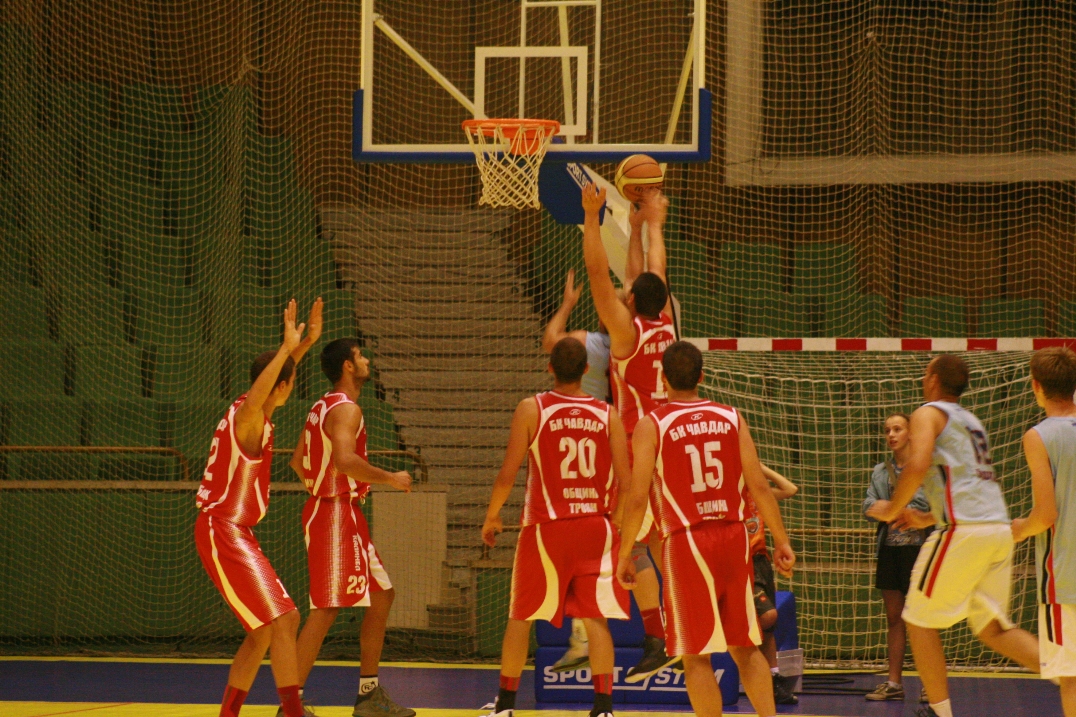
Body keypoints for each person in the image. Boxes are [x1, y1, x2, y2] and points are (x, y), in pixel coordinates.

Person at [616, 341, 796, 717]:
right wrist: (781, 540)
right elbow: (759, 486)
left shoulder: (652, 424)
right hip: (733, 537)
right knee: (745, 648)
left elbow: (637, 499)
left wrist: (625, 552)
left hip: (686, 543)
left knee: (696, 656)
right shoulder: (731, 416)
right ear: (701, 376)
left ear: (662, 379)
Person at [867, 354, 1040, 717]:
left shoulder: (927, 412)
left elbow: (917, 464)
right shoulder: (970, 421)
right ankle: (1069, 671)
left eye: (925, 372)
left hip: (963, 532)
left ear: (933, 379)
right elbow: (967, 485)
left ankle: (939, 712)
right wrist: (925, 516)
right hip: (997, 529)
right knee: (994, 630)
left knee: (916, 618)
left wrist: (895, 508)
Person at [481, 337, 632, 717]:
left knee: (521, 617)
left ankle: (505, 706)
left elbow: (507, 473)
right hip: (595, 526)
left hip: (546, 527)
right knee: (595, 619)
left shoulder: (531, 408)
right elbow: (628, 483)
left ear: (550, 367)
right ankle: (603, 708)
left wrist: (493, 515)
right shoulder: (607, 413)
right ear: (587, 369)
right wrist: (618, 523)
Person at [194, 298, 322, 717]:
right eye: (290, 381)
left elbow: (269, 389)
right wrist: (286, 349)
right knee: (285, 619)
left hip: (233, 531)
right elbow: (258, 398)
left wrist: (302, 346)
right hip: (223, 528)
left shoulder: (257, 415)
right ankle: (293, 712)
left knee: (264, 632)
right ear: (281, 387)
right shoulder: (248, 417)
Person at [288, 338, 415, 717]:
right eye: (360, 356)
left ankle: (368, 695)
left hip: (341, 511)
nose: (367, 361)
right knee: (326, 609)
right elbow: (344, 460)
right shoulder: (347, 409)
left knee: (382, 595)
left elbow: (297, 461)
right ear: (347, 365)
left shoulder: (321, 406)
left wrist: (320, 486)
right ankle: (290, 705)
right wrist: (390, 478)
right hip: (334, 513)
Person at [582, 182, 678, 681]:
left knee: (632, 545)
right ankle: (678, 626)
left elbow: (600, 277)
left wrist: (591, 219)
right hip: (670, 443)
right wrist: (646, 224)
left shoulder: (625, 333)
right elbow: (652, 271)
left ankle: (657, 637)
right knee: (661, 540)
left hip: (639, 450)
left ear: (631, 299)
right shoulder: (668, 321)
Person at [1012, 346, 1076, 717]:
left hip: (1066, 578)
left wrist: (1018, 530)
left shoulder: (1039, 436)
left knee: (1071, 678)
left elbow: (1045, 515)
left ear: (1036, 386)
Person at [862, 413, 935, 702]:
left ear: (910, 434)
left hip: (921, 550)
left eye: (897, 429)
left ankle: (931, 685)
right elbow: (868, 506)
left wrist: (893, 508)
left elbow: (930, 506)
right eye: (887, 430)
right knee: (894, 618)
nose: (891, 435)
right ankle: (894, 683)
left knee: (923, 620)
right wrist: (896, 509)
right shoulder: (880, 472)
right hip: (890, 550)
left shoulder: (926, 468)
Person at [745, 465, 800, 704]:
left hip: (762, 562)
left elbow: (790, 489)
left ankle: (773, 679)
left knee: (768, 630)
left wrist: (759, 467)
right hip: (742, 564)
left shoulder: (757, 494)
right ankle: (755, 673)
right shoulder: (728, 497)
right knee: (768, 616)